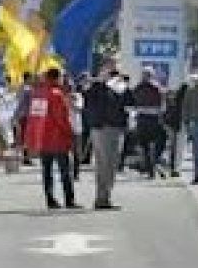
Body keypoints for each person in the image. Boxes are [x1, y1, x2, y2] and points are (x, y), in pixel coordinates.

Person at [23, 68, 78, 209]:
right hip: (58, 139)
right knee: (65, 171)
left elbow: (34, 118)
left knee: (46, 171)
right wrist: (70, 134)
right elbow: (61, 119)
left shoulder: (37, 94)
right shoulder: (56, 94)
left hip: (43, 139)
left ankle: (50, 199)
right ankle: (69, 200)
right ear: (56, 78)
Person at [85, 61, 132, 210]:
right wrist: (100, 82)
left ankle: (105, 196)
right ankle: (101, 198)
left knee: (111, 164)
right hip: (102, 128)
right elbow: (88, 100)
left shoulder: (119, 88)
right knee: (104, 164)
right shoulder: (96, 87)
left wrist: (123, 85)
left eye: (114, 72)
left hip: (115, 128)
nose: (112, 75)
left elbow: (130, 101)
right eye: (109, 71)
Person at [133, 67, 166, 179]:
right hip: (153, 119)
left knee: (145, 146)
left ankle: (150, 169)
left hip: (142, 119)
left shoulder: (138, 88)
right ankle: (154, 165)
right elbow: (163, 105)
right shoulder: (157, 88)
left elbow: (134, 103)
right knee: (156, 144)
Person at [164, 81, 188, 178]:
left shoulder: (174, 101)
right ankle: (176, 169)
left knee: (171, 147)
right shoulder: (185, 102)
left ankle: (169, 167)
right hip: (180, 126)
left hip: (171, 125)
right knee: (179, 148)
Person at [14, 71, 35, 165]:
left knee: (25, 137)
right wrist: (16, 114)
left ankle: (26, 157)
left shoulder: (23, 88)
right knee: (26, 137)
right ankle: (26, 158)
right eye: (31, 78)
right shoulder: (27, 89)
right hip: (26, 116)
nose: (32, 79)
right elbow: (21, 103)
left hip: (26, 115)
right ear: (28, 78)